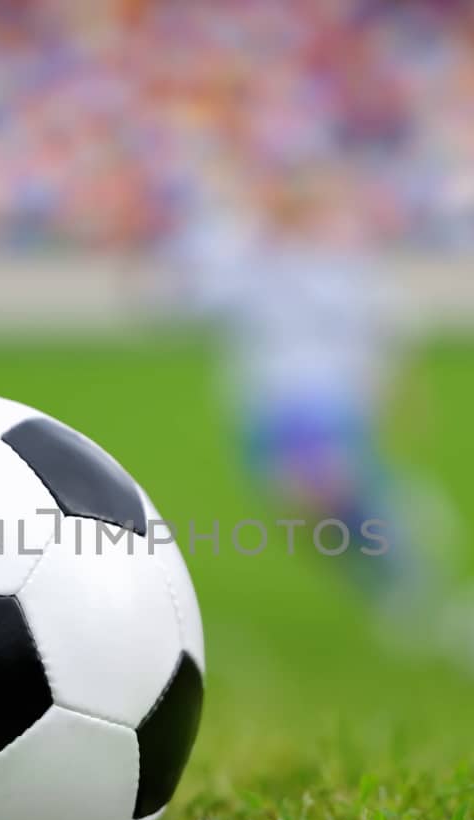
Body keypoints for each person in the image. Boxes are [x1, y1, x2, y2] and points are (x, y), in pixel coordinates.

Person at [171, 163, 446, 653]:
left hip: (327, 399)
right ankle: (391, 560)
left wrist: (398, 389)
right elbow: (193, 304)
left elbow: (384, 324)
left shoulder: (342, 258)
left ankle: (404, 553)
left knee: (318, 492)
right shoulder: (248, 256)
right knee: (310, 523)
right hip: (265, 409)